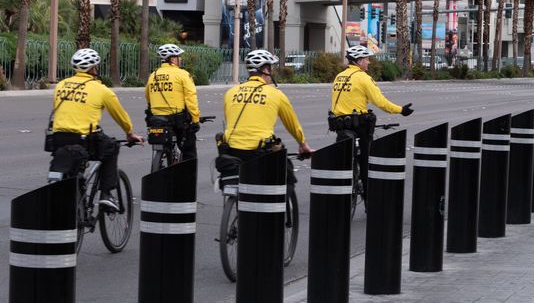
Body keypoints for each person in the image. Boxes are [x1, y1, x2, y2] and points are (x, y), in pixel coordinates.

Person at [50, 48, 144, 210]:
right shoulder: (101, 90)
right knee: (112, 147)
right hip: (86, 140)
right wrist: (129, 133)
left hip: (58, 138)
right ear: (94, 68)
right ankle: (106, 194)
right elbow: (120, 115)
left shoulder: (60, 86)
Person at [329, 45, 414, 205]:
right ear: (359, 61)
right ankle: (370, 201)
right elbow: (380, 102)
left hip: (340, 126)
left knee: (343, 156)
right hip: (359, 125)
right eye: (367, 59)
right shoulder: (363, 78)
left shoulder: (339, 76)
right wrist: (401, 110)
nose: (369, 62)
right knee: (366, 162)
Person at [218, 49, 312, 184]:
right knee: (287, 175)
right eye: (271, 69)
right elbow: (292, 124)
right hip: (260, 152)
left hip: (231, 151)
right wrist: (303, 144)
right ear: (266, 70)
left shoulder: (230, 92)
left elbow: (229, 119)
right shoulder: (275, 94)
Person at [145, 43, 201, 161]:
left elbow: (148, 97)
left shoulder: (153, 75)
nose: (180, 59)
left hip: (156, 120)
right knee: (189, 150)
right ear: (172, 59)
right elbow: (190, 98)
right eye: (178, 56)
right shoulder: (183, 74)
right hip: (176, 120)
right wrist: (195, 120)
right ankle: (187, 178)